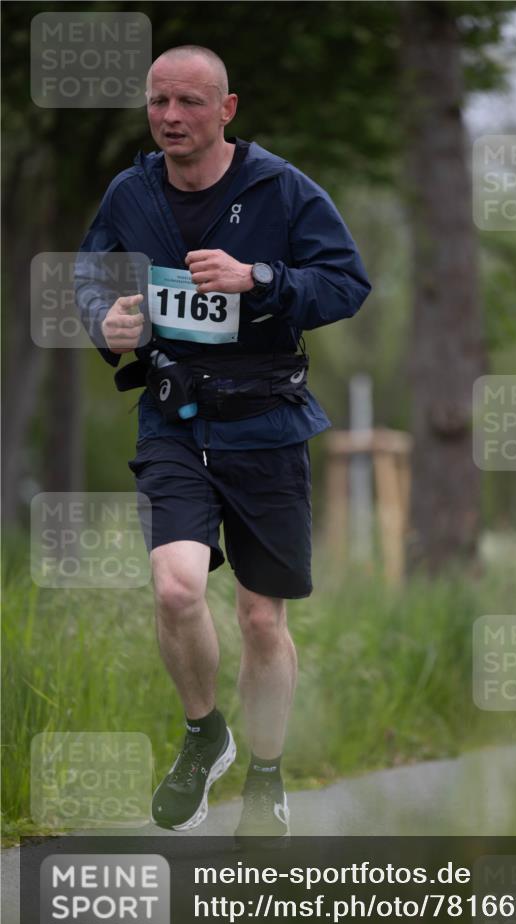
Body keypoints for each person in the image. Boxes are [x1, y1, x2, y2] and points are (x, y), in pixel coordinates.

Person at [74, 45, 371, 847]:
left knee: (260, 619)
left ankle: (266, 777)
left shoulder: (280, 188)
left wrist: (262, 280)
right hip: (172, 418)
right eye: (159, 102)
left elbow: (346, 282)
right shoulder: (130, 192)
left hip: (267, 427)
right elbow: (87, 276)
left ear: (226, 109)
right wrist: (104, 323)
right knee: (175, 588)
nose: (171, 117)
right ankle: (204, 734)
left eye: (190, 103)